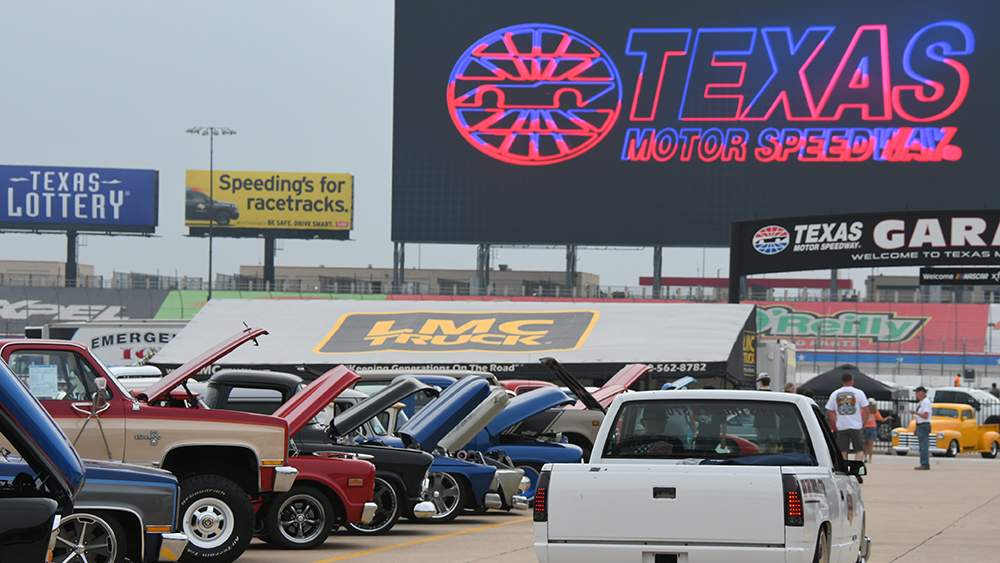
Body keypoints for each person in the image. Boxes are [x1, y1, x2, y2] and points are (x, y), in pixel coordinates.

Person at [824, 372, 871, 461]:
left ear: (843, 381)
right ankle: (857, 467)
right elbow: (866, 410)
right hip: (856, 426)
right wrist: (863, 424)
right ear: (852, 381)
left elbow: (829, 410)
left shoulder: (835, 393)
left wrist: (835, 421)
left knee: (843, 450)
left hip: (842, 426)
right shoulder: (859, 393)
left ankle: (845, 469)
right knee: (859, 449)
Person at [910, 386, 932, 470]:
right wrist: (916, 427)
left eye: (917, 392)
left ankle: (925, 463)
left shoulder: (926, 402)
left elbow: (926, 416)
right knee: (922, 445)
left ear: (922, 393)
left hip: (924, 425)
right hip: (920, 425)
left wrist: (915, 412)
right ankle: (923, 462)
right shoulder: (921, 402)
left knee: (924, 446)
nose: (916, 394)